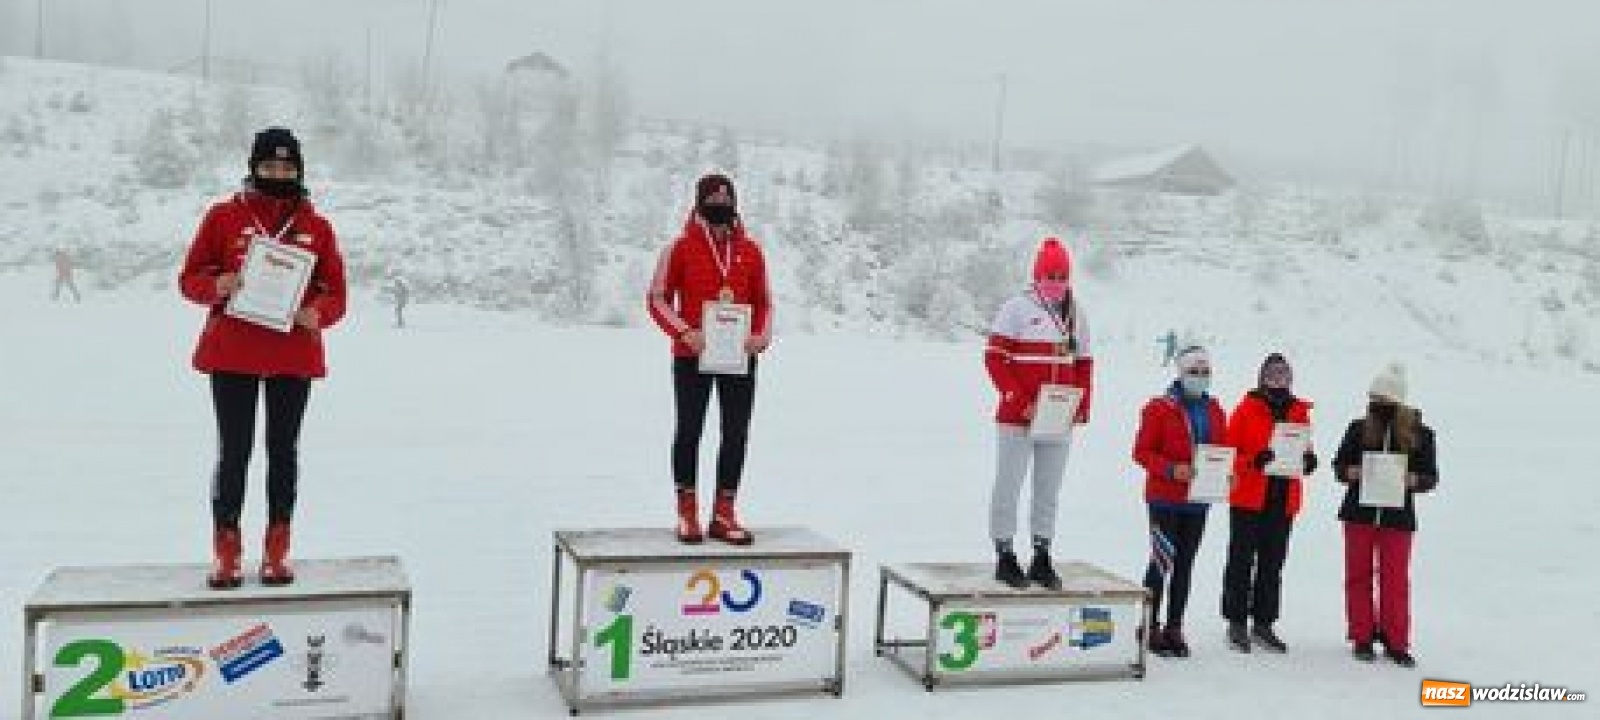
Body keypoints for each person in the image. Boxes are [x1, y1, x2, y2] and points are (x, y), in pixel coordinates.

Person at [178, 127, 347, 589]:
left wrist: (319, 312)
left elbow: (337, 294)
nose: (278, 173)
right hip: (233, 355)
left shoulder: (318, 227)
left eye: (287, 167)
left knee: (283, 452)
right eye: (269, 166)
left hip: (293, 357)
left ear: (299, 170)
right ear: (253, 167)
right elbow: (189, 278)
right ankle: (227, 552)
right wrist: (217, 285)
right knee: (234, 452)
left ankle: (277, 549)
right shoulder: (221, 218)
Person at [647, 174, 772, 545]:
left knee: (735, 433)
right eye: (713, 198)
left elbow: (763, 302)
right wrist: (684, 331)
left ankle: (724, 512)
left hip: (738, 357)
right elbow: (657, 299)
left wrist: (759, 337)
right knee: (689, 430)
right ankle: (687, 511)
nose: (720, 203)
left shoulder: (752, 251)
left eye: (726, 197)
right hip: (692, 354)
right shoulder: (678, 249)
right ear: (699, 202)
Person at [984, 237, 1094, 590]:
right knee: (1009, 485)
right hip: (1018, 417)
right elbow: (995, 359)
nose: (1056, 281)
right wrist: (1019, 399)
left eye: (1062, 275)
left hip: (1058, 418)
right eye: (1050, 274)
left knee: (1048, 490)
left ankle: (1042, 553)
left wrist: (1082, 406)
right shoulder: (1016, 308)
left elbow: (1085, 365)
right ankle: (1004, 553)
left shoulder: (1077, 313)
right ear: (1037, 274)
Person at [1332, 363, 1438, 668]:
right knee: (1358, 577)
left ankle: (1396, 640)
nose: (1374, 403)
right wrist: (1350, 472)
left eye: (1380, 397)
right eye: (1372, 397)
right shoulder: (1358, 427)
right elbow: (1339, 465)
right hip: (1358, 515)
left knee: (1395, 581)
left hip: (1398, 519)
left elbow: (1431, 476)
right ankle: (1362, 635)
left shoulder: (1421, 434)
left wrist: (1413, 480)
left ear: (1395, 399)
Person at [1221, 353, 1318, 653]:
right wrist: (1253, 460)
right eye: (1272, 375)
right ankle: (1236, 621)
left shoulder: (1299, 411)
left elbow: (1305, 446)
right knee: (1241, 561)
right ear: (1261, 378)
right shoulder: (1246, 409)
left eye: (1283, 375)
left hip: (1282, 499)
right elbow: (1227, 454)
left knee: (1272, 563)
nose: (1278, 380)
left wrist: (1308, 459)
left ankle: (1264, 622)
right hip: (1248, 498)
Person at [1132, 345, 1225, 657]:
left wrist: (1227, 475)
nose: (1200, 378)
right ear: (1180, 374)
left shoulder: (1215, 410)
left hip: (1198, 501)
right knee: (1162, 562)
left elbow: (1222, 453)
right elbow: (1141, 452)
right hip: (1164, 500)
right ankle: (1150, 626)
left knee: (1185, 565)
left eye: (1205, 372)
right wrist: (1172, 469)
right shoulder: (1159, 408)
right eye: (1193, 372)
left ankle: (1174, 626)